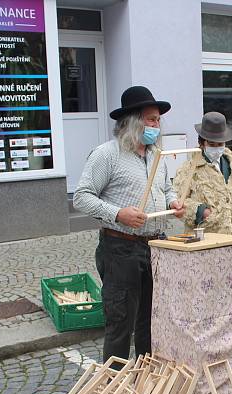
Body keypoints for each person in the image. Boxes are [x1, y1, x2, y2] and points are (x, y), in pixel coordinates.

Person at [73, 85, 185, 364]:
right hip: (120, 248)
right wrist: (117, 213)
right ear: (133, 122)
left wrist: (173, 203)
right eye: (151, 119)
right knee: (121, 323)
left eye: (158, 120)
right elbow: (81, 197)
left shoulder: (156, 157)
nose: (156, 126)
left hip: (154, 246)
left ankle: (145, 384)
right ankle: (114, 390)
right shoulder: (106, 154)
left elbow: (166, 189)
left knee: (150, 321)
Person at [173, 112, 232, 235]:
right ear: (202, 143)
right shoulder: (189, 169)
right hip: (205, 238)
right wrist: (202, 212)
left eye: (220, 144)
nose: (216, 148)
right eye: (212, 144)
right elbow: (177, 202)